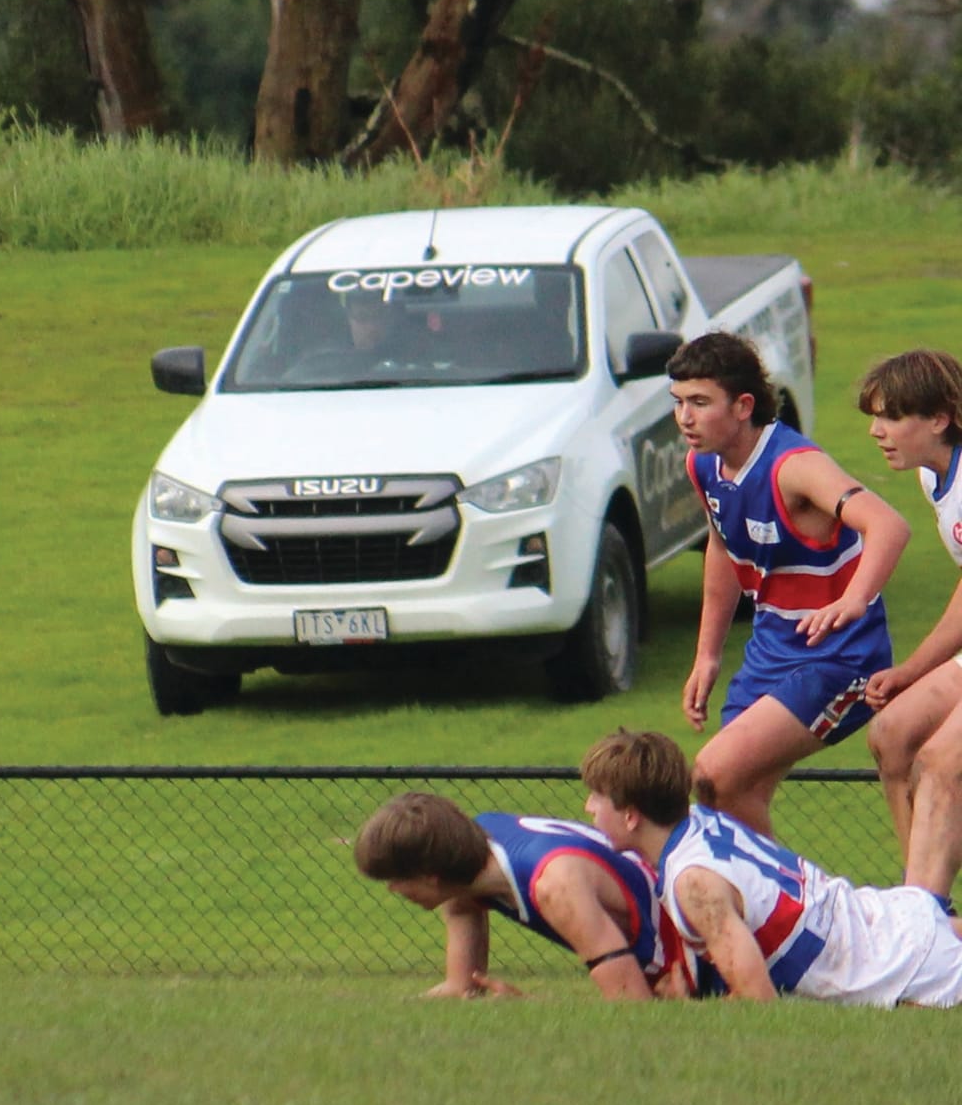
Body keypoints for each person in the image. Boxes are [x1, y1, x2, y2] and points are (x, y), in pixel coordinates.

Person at [671, 331, 909, 837]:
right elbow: (722, 547)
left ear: (743, 406)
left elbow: (888, 525)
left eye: (699, 403)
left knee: (714, 772)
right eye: (678, 402)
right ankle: (777, 890)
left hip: (839, 658)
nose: (684, 418)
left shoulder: (794, 467)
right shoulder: (703, 464)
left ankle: (800, 890)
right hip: (771, 650)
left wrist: (853, 600)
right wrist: (707, 655)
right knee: (727, 796)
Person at [579, 729, 962, 1006]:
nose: (589, 808)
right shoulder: (698, 821)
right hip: (888, 918)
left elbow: (756, 998)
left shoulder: (694, 883)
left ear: (631, 816)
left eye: (597, 797)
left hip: (897, 965)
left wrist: (684, 1009)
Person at [353, 791, 704, 1000]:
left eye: (395, 880)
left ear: (431, 876)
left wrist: (532, 1005)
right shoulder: (477, 846)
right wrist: (455, 987)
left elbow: (631, 1003)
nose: (392, 890)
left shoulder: (554, 885)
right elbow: (461, 916)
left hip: (704, 964)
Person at [857, 350, 962, 923]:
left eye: (891, 416)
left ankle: (924, 923)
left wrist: (914, 669)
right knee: (891, 734)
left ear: (939, 418)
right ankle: (922, 904)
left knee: (942, 762)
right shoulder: (932, 476)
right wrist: (911, 672)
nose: (876, 431)